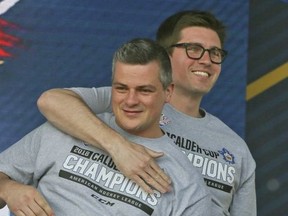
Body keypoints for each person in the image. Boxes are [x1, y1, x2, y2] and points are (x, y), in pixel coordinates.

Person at [37, 10, 256, 215]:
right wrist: (118, 147)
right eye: (194, 49)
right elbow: (52, 101)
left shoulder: (237, 149)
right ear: (165, 56)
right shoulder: (129, 102)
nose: (207, 60)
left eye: (215, 53)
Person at [0, 38, 210, 216]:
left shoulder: (187, 184)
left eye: (144, 90)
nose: (130, 100)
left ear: (168, 92)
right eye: (121, 88)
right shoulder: (68, 127)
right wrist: (9, 189)